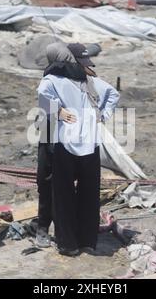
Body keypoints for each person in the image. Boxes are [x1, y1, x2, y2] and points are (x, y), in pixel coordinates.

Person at [37, 42, 120, 256]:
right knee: (79, 191)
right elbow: (113, 94)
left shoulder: (80, 80)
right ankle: (73, 237)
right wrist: (60, 112)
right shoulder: (82, 81)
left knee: (63, 191)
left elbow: (43, 97)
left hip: (68, 144)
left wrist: (60, 111)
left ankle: (70, 242)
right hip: (73, 142)